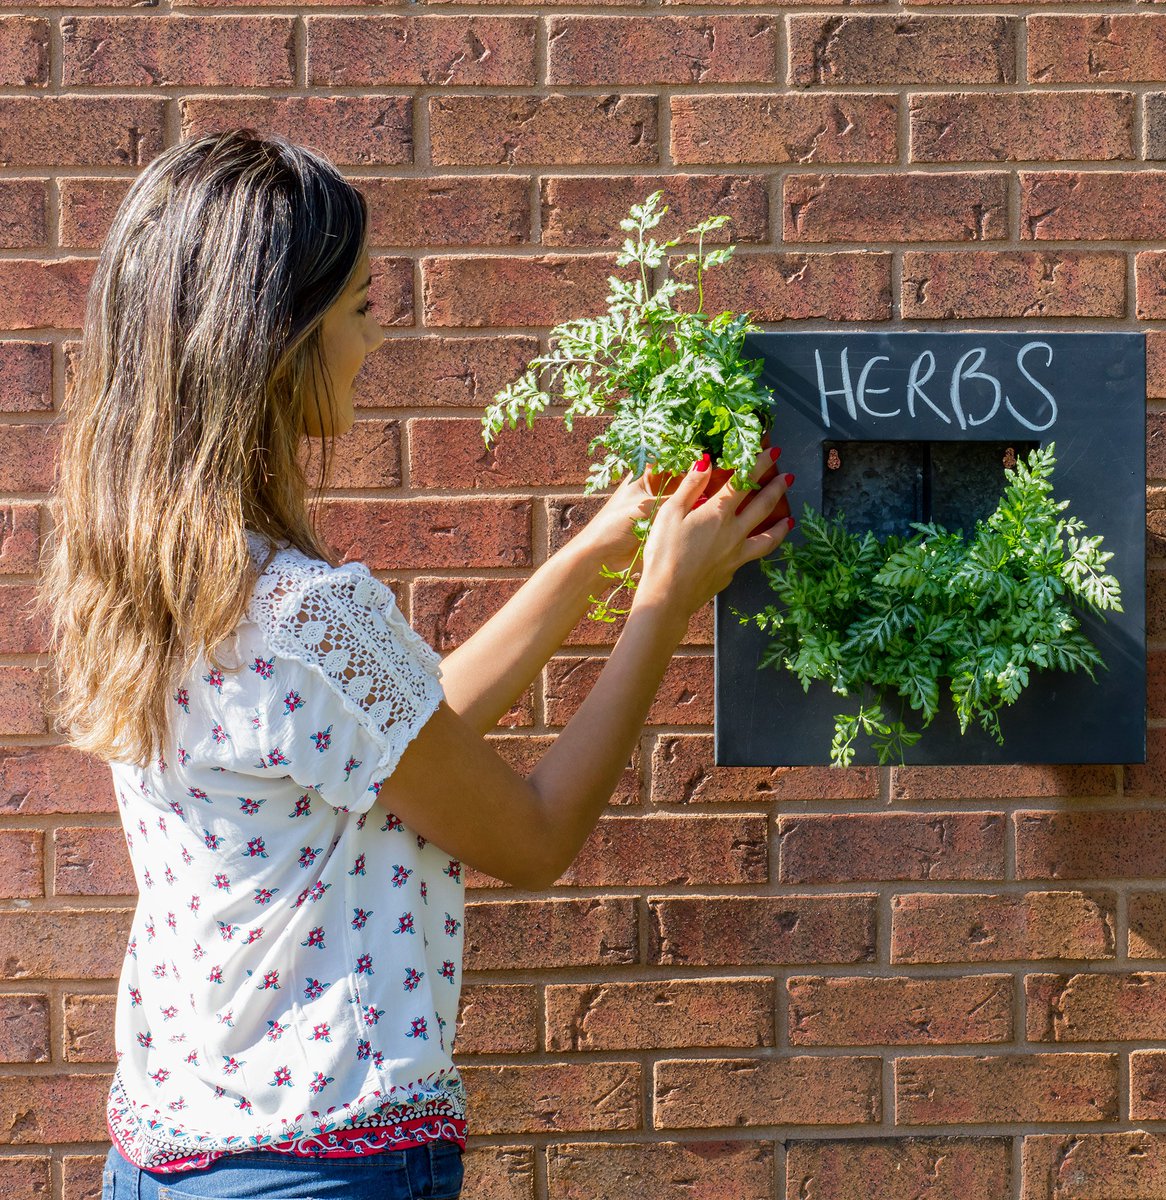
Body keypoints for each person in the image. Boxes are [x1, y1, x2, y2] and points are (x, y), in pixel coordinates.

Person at [31, 129, 793, 1200]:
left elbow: (395, 739)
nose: (376, 339)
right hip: (324, 1170)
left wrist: (593, 550)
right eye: (361, 309)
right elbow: (529, 839)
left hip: (159, 1158)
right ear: (277, 343)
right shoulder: (313, 615)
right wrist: (664, 598)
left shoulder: (136, 584)